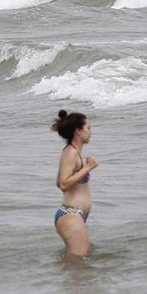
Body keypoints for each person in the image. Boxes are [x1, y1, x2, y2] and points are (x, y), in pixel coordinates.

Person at [52, 110, 96, 257]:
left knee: (79, 264)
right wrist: (89, 167)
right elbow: (64, 185)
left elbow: (59, 182)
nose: (91, 132)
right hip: (71, 214)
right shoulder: (70, 152)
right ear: (78, 131)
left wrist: (84, 168)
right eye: (88, 128)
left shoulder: (74, 152)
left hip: (76, 215)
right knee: (78, 264)